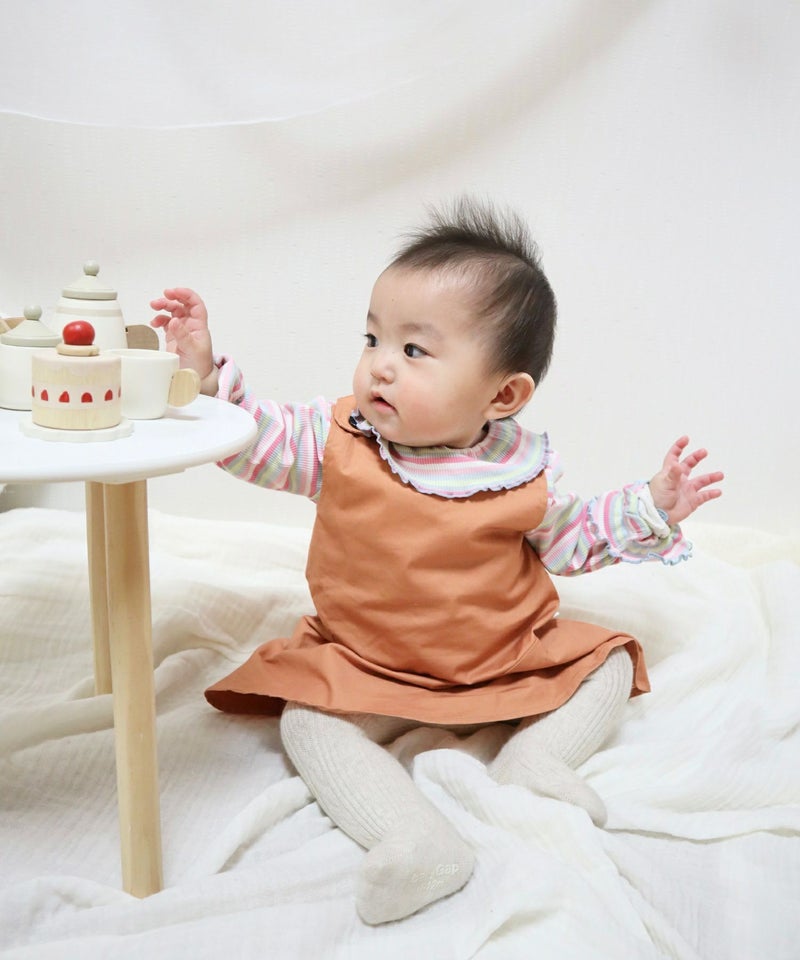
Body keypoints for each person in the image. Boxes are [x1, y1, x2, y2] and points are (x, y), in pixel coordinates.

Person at [150, 198, 723, 925]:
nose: (380, 366)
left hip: (501, 658)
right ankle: (415, 838)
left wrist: (653, 505)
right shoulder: (338, 440)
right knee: (306, 718)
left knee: (609, 661)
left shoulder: (520, 472)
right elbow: (255, 440)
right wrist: (205, 379)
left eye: (414, 351)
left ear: (503, 394)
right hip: (369, 662)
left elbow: (575, 537)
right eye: (373, 339)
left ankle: (537, 760)